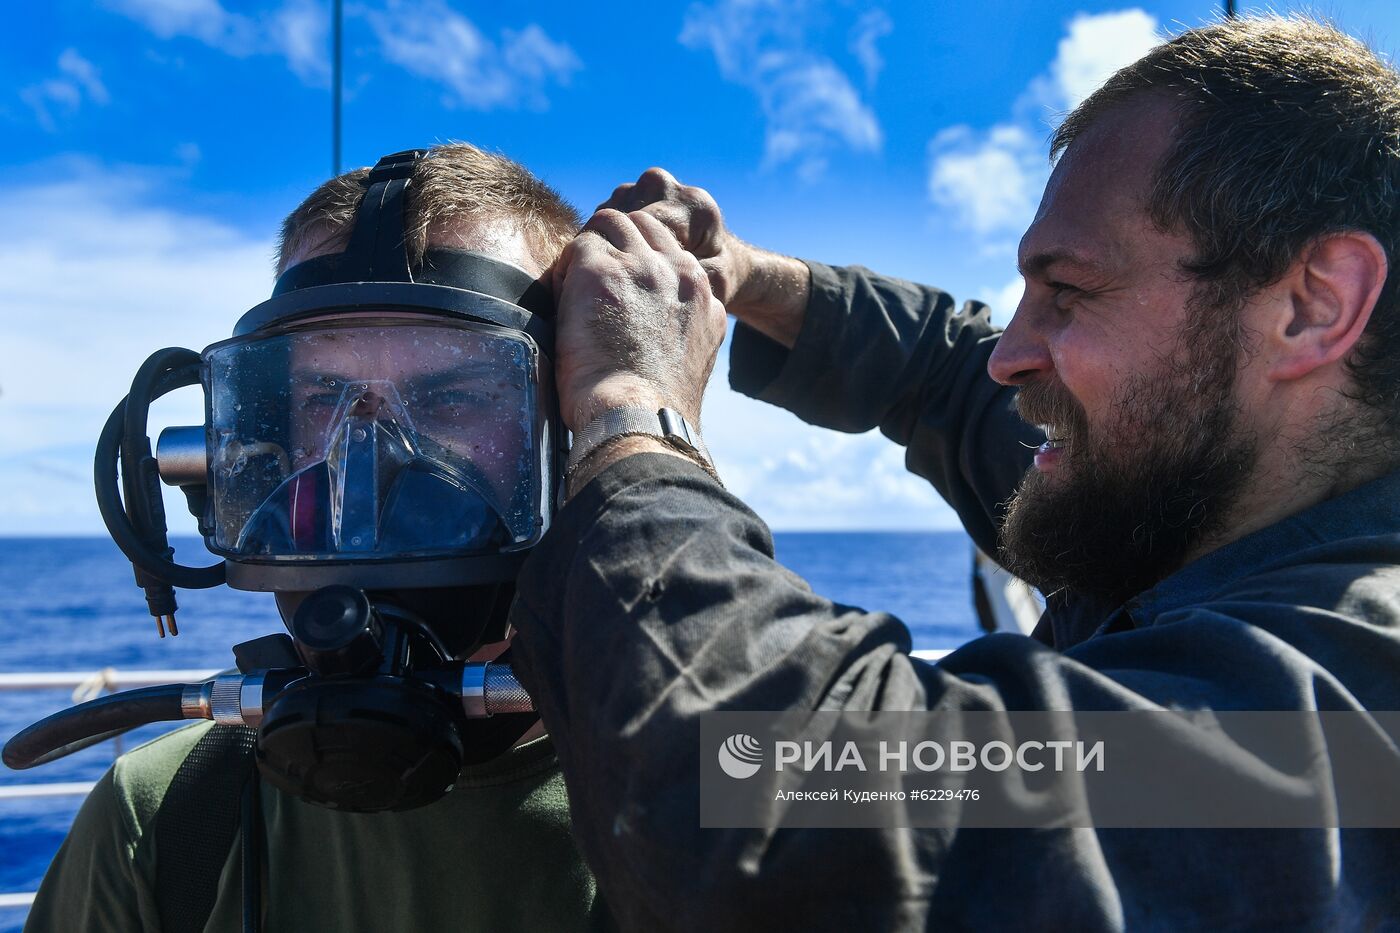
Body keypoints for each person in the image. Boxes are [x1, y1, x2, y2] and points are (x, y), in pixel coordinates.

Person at [508, 15, 1400, 931]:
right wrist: (746, 276)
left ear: (1311, 306)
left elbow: (777, 808)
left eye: (1070, 289)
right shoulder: (1189, 491)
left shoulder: (1352, 707)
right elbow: (946, 366)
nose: (1012, 352)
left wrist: (630, 412)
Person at [24, 144, 615, 932]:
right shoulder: (163, 817)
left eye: (457, 394)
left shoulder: (736, 781)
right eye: (324, 398)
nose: (366, 455)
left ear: (572, 431)